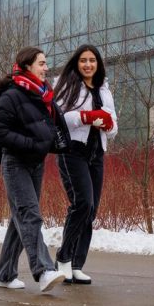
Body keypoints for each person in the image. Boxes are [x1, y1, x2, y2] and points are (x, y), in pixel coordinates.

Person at [0, 46, 69, 293]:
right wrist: (30, 144)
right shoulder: (11, 95)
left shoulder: (42, 95)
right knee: (29, 214)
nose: (46, 68)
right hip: (15, 162)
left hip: (35, 162)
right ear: (27, 66)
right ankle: (44, 270)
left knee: (19, 217)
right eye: (41, 63)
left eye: (46, 63)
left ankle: (4, 274)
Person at [52, 44, 117, 285]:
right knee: (82, 203)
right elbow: (59, 118)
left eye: (92, 60)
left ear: (98, 64)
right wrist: (87, 117)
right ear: (76, 63)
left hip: (96, 153)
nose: (88, 64)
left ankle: (77, 264)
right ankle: (63, 258)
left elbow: (113, 128)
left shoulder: (104, 91)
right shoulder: (68, 85)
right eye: (83, 60)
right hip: (73, 152)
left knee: (91, 211)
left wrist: (108, 125)